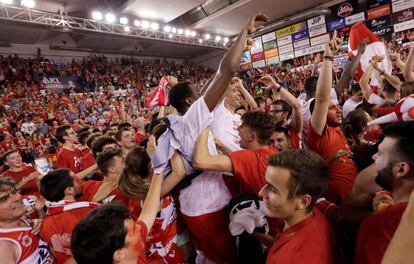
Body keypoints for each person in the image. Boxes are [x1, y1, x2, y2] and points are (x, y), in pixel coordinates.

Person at [152, 13, 268, 263]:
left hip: (191, 205)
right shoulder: (193, 119)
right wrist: (241, 36)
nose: (203, 96)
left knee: (205, 255)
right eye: (197, 93)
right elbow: (224, 72)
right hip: (210, 205)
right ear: (189, 102)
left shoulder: (173, 126)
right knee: (227, 257)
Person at [71, 166, 164, 263]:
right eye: (134, 229)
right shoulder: (134, 251)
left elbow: (148, 212)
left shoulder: (129, 250)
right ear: (119, 254)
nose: (140, 227)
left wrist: (158, 170)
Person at [307, 31, 359, 205]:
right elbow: (321, 98)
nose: (338, 110)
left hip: (355, 193)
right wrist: (328, 59)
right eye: (331, 108)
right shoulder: (318, 132)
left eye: (337, 106)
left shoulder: (337, 128)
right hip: (341, 202)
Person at [259, 150, 335, 264]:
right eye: (266, 185)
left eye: (272, 189)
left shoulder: (297, 259)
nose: (261, 193)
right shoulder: (310, 214)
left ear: (303, 202)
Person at [354, 121, 414, 264]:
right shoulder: (386, 204)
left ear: (401, 169)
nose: (374, 157)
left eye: (380, 154)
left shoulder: (380, 226)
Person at [118, 146, 182, 263]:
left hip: (156, 246)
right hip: (160, 253)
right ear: (149, 165)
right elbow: (180, 172)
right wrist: (170, 143)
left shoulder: (136, 188)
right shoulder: (151, 193)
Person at [39, 169, 99, 263]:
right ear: (69, 190)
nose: (80, 181)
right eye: (76, 179)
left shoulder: (44, 223)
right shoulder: (89, 212)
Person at [0, 177, 55, 263]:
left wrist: (41, 219)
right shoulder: (3, 246)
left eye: (14, 192)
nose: (18, 197)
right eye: (4, 199)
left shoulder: (22, 218)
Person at [259, 74, 303, 149]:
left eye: (275, 112)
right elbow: (277, 99)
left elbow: (296, 106)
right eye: (271, 112)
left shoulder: (293, 129)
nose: (272, 114)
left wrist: (276, 86)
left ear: (285, 114)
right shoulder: (268, 132)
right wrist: (273, 87)